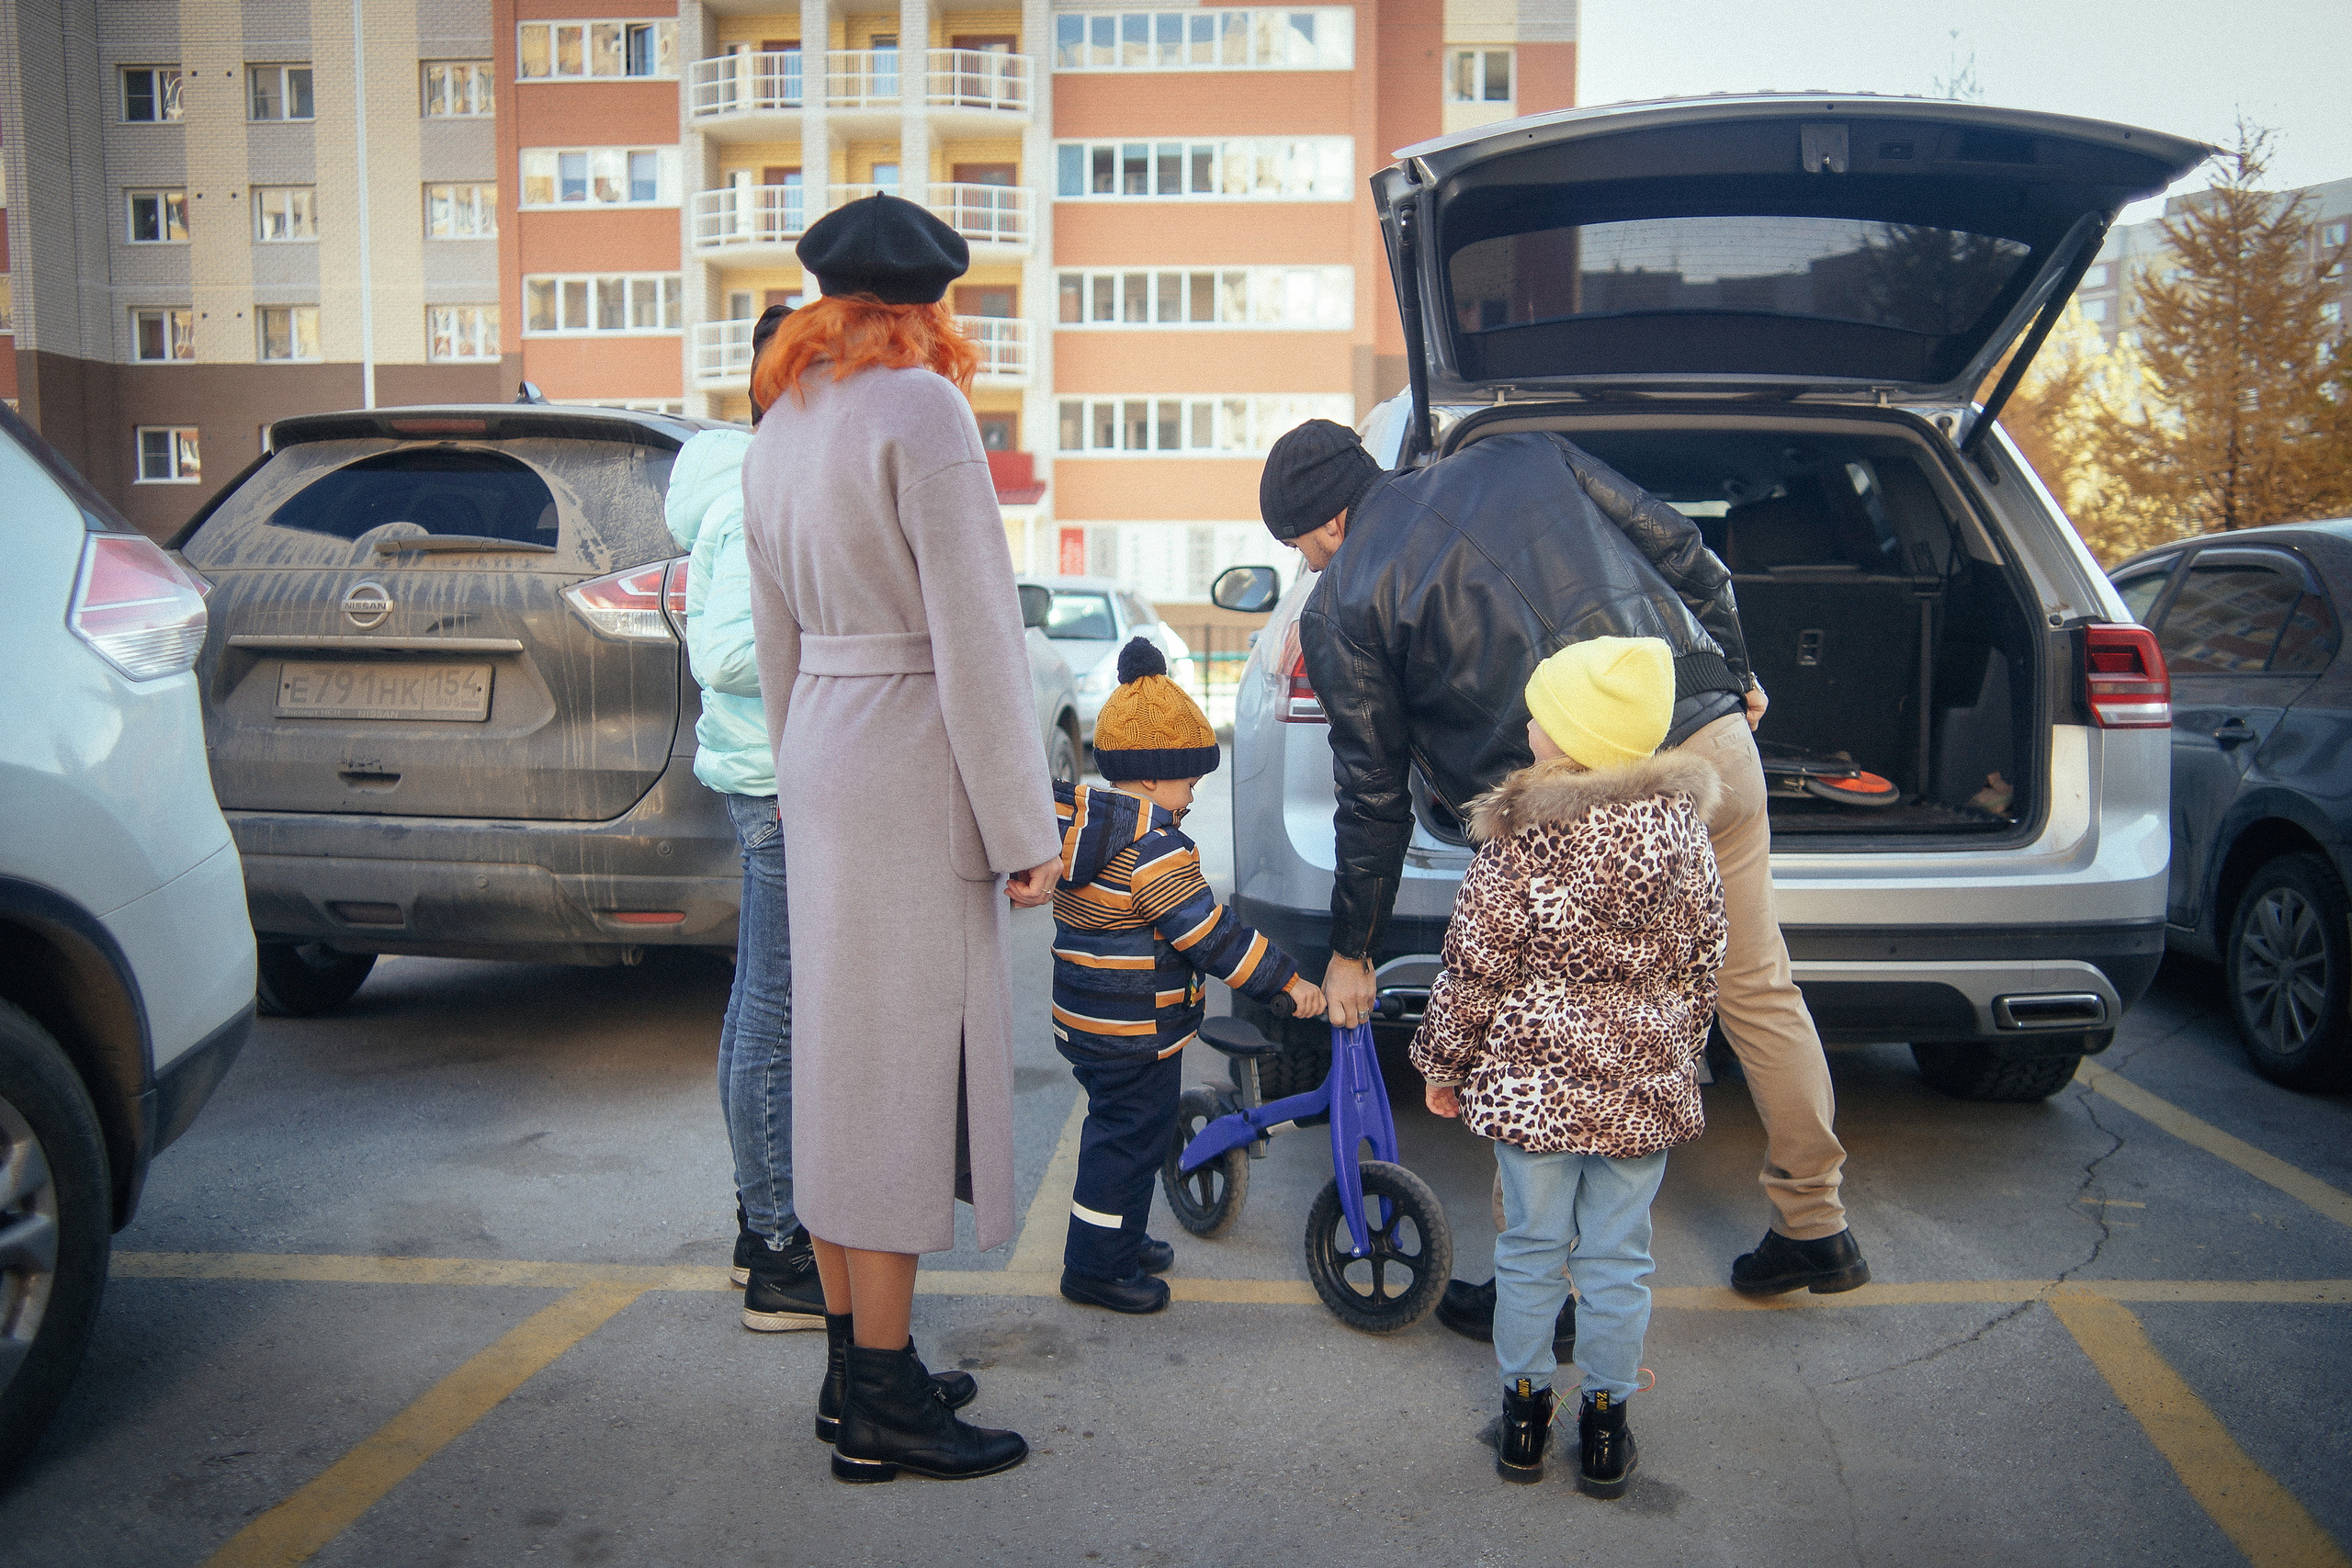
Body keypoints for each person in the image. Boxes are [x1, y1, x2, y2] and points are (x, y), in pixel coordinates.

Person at [1256, 418, 1869, 1319]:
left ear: (1328, 523)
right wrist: (1734, 676)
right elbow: (1687, 551)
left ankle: (1540, 1290)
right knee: (1759, 987)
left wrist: (1352, 949)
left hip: (1573, 809)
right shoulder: (1522, 453)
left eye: (1302, 547)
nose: (1309, 566)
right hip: (1709, 741)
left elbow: (1373, 797)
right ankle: (1816, 1222)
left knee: (1547, 1028)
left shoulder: (1343, 597)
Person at [741, 194, 1062, 1483]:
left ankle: (849, 1369)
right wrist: (1023, 821)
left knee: (842, 1065)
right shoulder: (919, 408)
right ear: (930, 302)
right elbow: (977, 635)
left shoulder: (785, 417)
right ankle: (879, 1397)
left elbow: (773, 642)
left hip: (821, 746)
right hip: (907, 754)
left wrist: (803, 758)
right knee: (895, 1076)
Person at [1412, 637, 1727, 1496]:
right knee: (1619, 1257)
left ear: (1579, 734)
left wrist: (1444, 1062)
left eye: (1543, 713)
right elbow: (1704, 960)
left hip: (1533, 1094)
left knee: (1528, 1249)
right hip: (1639, 1093)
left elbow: (1476, 963)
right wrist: (1677, 1049)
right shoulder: (1684, 834)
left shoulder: (1524, 837)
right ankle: (1604, 1428)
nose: (1527, 723)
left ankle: (1521, 1422)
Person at [1048, 638, 1327, 1315]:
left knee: (1125, 1134)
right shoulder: (1154, 848)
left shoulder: (1085, 827)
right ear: (1150, 776)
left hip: (1092, 1023)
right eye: (1189, 780)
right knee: (1126, 1140)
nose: (1194, 793)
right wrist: (1286, 983)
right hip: (1135, 1031)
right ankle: (1095, 1266)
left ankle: (1119, 1236)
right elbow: (1210, 935)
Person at [665, 302, 833, 1335]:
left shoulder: (756, 478)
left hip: (767, 770)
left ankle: (756, 1226)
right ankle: (776, 1252)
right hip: (772, 779)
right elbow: (725, 653)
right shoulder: (747, 490)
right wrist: (837, 655)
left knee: (760, 1006)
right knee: (773, 1011)